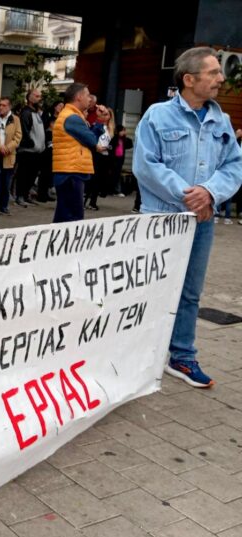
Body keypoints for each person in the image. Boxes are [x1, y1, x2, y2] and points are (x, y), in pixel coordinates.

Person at [133, 46, 242, 388]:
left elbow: (234, 165)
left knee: (190, 293)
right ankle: (138, 354)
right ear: (189, 79)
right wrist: (189, 196)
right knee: (151, 289)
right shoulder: (157, 116)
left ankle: (181, 356)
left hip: (201, 222)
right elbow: (146, 165)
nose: (221, 78)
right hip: (161, 220)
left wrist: (210, 192)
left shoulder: (222, 121)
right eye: (213, 73)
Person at [52, 83, 107, 223]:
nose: (90, 99)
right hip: (71, 172)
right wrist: (100, 121)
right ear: (78, 97)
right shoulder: (73, 118)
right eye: (87, 95)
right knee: (73, 217)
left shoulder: (71, 116)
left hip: (68, 171)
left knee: (64, 215)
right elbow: (92, 140)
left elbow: (87, 138)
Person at [15, 88, 45, 206]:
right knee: (24, 174)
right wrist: (31, 142)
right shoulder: (26, 112)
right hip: (28, 151)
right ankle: (20, 196)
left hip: (37, 150)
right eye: (36, 96)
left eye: (40, 96)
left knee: (32, 175)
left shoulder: (36, 112)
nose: (39, 98)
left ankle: (26, 194)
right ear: (29, 97)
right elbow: (24, 130)